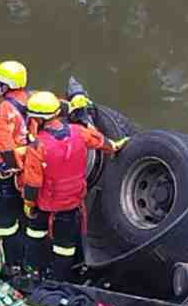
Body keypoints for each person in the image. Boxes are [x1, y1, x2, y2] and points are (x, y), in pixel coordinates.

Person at [20, 91, 127, 282]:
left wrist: (29, 203)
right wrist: (116, 145)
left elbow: (32, 182)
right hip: (74, 203)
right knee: (66, 247)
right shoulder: (79, 132)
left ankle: (38, 271)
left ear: (39, 118)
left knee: (36, 234)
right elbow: (101, 142)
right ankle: (64, 278)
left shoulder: (37, 146)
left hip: (48, 205)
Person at [0, 60, 30, 280]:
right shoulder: (34, 100)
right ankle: (30, 258)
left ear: (5, 85)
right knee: (27, 217)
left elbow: (4, 146)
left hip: (7, 175)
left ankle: (14, 265)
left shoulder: (2, 110)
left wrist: (10, 169)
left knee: (6, 224)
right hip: (29, 172)